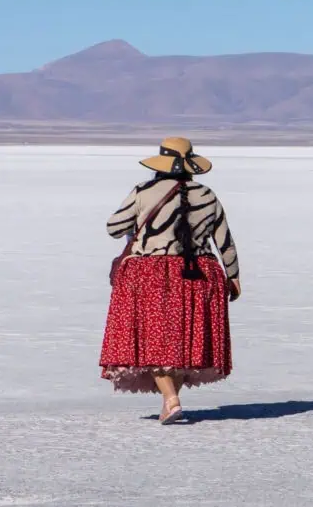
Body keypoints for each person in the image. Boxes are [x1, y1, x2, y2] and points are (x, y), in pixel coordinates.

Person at [99, 137, 241, 425]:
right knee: (177, 343)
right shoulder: (208, 195)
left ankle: (171, 400)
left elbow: (114, 227)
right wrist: (233, 276)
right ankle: (169, 402)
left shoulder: (144, 191)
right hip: (199, 274)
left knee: (156, 341)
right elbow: (224, 241)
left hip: (151, 275)